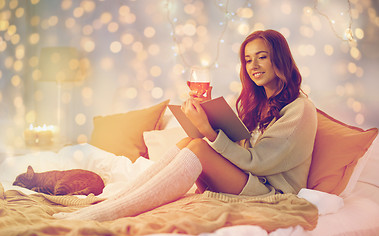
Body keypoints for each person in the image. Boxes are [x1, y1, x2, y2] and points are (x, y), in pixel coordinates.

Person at [54, 29, 317, 221]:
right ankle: (117, 200)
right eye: (248, 60)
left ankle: (108, 212)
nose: (253, 66)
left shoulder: (300, 110)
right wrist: (207, 119)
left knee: (200, 148)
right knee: (189, 143)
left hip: (272, 192)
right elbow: (242, 148)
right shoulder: (257, 104)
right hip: (248, 179)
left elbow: (258, 161)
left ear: (279, 60)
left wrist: (209, 131)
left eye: (262, 57)